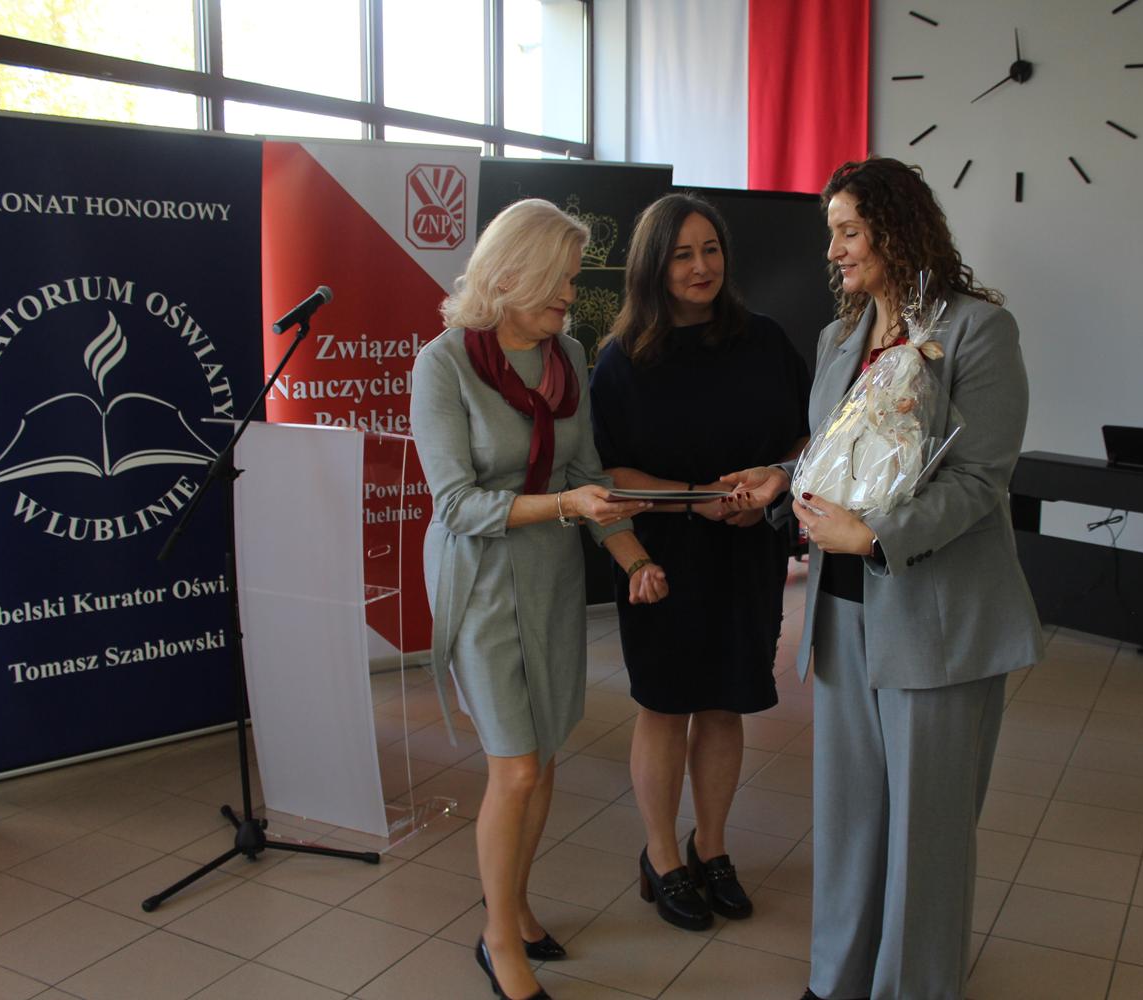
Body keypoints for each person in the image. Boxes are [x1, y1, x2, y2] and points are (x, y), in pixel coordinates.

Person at [723, 156, 1043, 1000]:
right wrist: (780, 480)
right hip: (843, 610)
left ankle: (914, 987)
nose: (833, 251)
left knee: (926, 832)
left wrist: (874, 536)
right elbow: (834, 454)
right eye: (832, 233)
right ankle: (836, 980)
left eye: (848, 232)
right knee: (851, 814)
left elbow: (980, 479)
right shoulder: (841, 337)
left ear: (896, 231)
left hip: (936, 616)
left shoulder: (978, 331)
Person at [409, 198, 668, 1000]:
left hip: (550, 576)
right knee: (516, 767)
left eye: (573, 279)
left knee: (543, 753)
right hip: (481, 580)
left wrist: (632, 557)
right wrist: (564, 505)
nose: (570, 295)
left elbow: (585, 475)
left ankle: (515, 906)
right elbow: (456, 504)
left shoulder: (568, 355)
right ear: (509, 273)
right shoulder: (443, 364)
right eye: (559, 278)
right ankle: (497, 939)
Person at [589, 193, 811, 930]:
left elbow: (806, 439)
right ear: (654, 265)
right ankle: (661, 856)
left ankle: (711, 847)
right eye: (682, 254)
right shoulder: (623, 359)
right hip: (663, 554)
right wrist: (699, 500)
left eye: (710, 249)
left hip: (749, 547)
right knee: (666, 704)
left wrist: (769, 484)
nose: (700, 266)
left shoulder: (765, 340)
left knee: (724, 702)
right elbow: (610, 474)